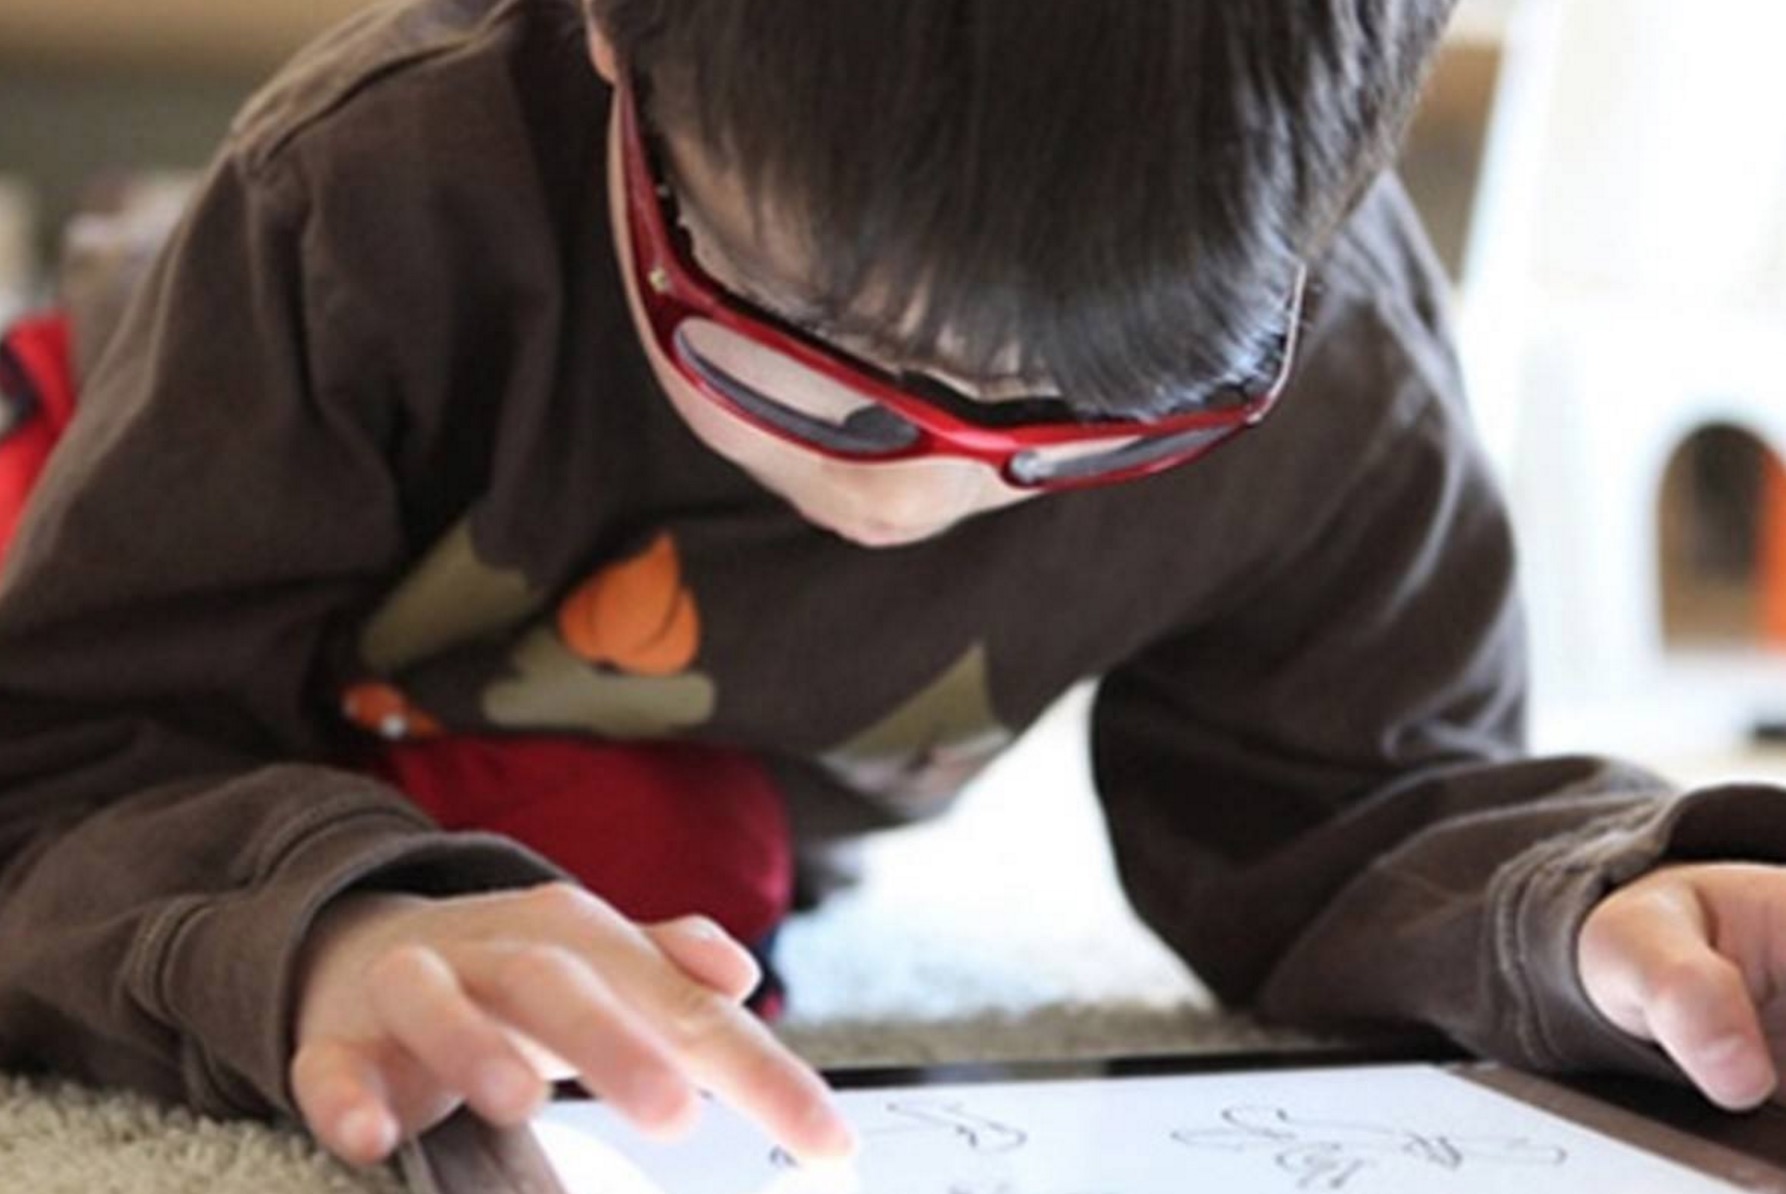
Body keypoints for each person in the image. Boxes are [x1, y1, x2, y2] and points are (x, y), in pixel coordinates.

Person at [2, 0, 1785, 1173]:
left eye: (1081, 429)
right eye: (791, 352)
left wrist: (1593, 921)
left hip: (599, 750)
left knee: (656, 941)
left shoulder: (1329, 367)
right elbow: (63, 750)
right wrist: (314, 934)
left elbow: (1349, 802)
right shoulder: (372, 194)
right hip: (142, 490)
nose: (905, 498)